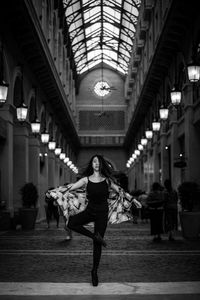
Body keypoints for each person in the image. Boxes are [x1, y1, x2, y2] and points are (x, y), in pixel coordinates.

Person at [47, 154, 141, 287]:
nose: (96, 164)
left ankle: (94, 271)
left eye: (98, 162)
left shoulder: (107, 181)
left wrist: (133, 199)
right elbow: (70, 188)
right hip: (89, 211)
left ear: (101, 164)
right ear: (92, 164)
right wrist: (53, 192)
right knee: (72, 223)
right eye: (94, 162)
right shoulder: (85, 180)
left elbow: (120, 191)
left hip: (102, 213)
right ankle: (95, 236)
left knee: (97, 246)